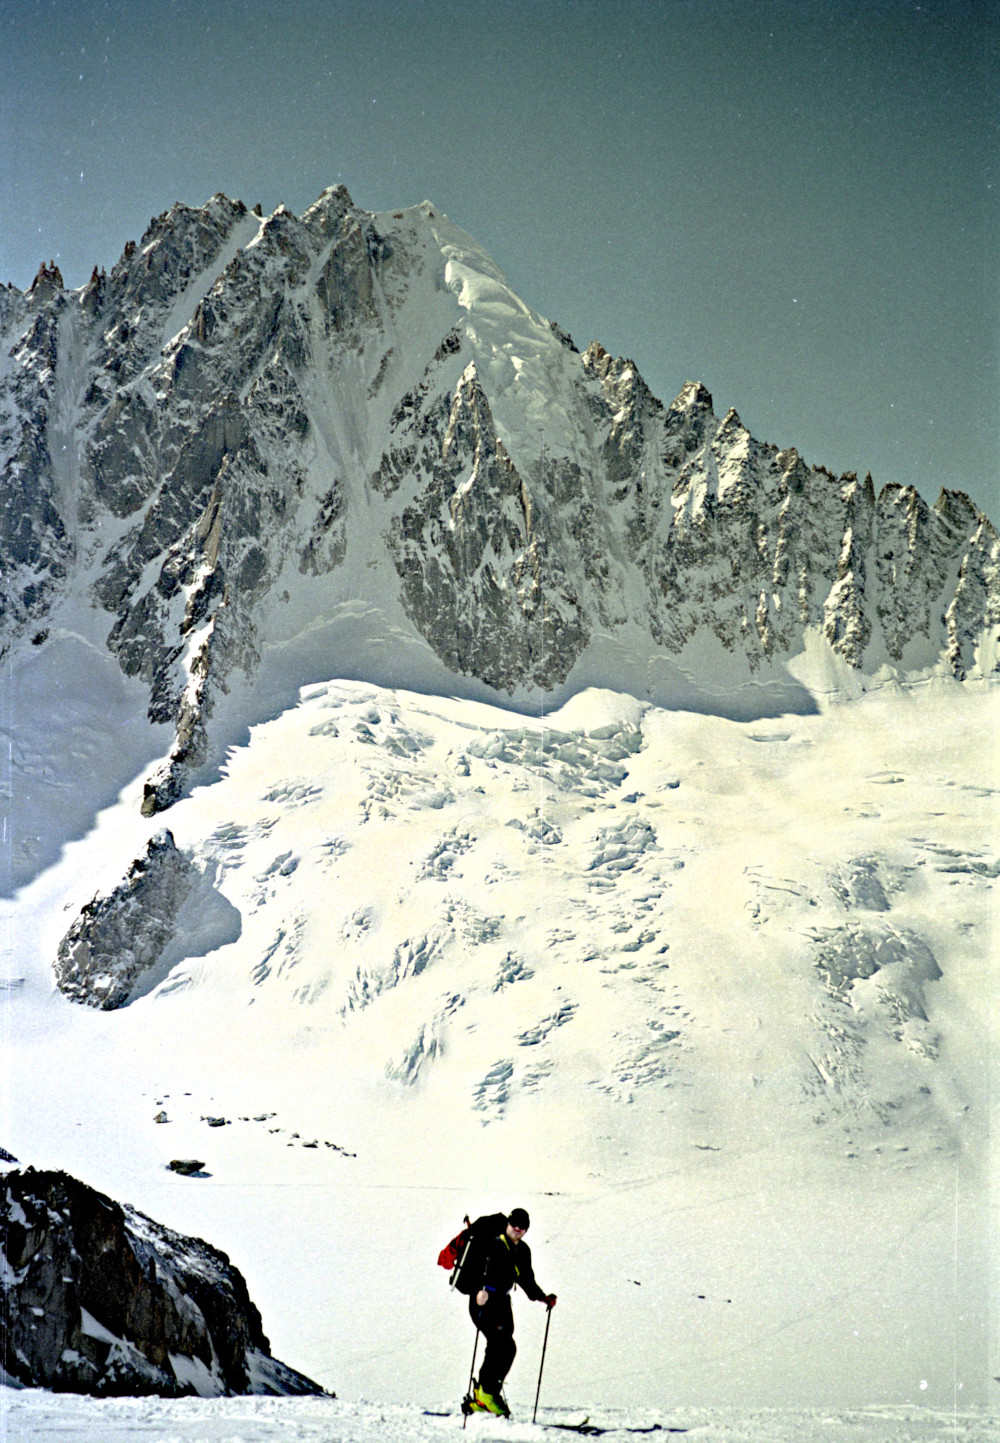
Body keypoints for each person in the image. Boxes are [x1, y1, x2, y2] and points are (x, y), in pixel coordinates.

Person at [468, 1207, 556, 1417]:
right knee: (503, 1344)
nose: (518, 1229)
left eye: (522, 1226)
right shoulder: (491, 1244)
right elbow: (474, 1271)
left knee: (505, 1347)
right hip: (484, 1300)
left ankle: (484, 1394)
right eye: (514, 1224)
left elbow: (526, 1279)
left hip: (503, 1302)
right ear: (508, 1223)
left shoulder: (523, 1251)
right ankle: (486, 1394)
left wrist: (543, 1297)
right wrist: (478, 1292)